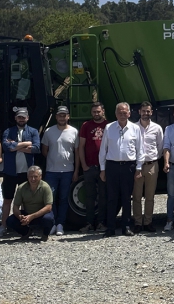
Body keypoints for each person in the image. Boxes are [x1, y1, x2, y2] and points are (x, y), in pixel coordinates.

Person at [100, 102, 144, 237]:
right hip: (112, 166)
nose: (122, 115)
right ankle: (111, 228)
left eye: (125, 112)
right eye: (120, 112)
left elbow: (140, 149)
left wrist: (139, 167)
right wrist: (102, 169)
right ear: (116, 114)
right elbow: (103, 149)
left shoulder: (135, 128)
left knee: (126, 198)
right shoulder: (109, 127)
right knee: (112, 198)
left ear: (129, 114)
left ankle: (126, 227)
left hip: (128, 167)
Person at [0, 108, 40, 234]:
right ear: (15, 118)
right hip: (11, 172)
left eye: (23, 117)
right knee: (7, 200)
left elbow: (36, 148)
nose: (21, 119)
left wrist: (16, 146)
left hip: (27, 173)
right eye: (19, 117)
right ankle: (3, 226)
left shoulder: (33, 131)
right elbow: (6, 147)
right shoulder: (8, 131)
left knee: (26, 201)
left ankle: (24, 227)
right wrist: (26, 144)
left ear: (27, 118)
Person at [41, 106, 78, 236]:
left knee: (63, 199)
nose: (62, 118)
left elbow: (77, 152)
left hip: (68, 171)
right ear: (56, 117)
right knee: (50, 199)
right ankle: (53, 223)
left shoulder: (74, 132)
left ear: (68, 116)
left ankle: (61, 224)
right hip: (51, 171)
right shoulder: (49, 131)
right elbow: (44, 151)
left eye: (64, 115)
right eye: (60, 115)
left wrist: (76, 170)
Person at [133, 102, 164, 233]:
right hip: (137, 166)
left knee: (150, 196)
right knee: (136, 196)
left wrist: (154, 158)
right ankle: (137, 223)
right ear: (139, 112)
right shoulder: (133, 127)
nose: (146, 113)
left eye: (148, 111)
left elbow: (160, 146)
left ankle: (148, 222)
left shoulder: (157, 128)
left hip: (152, 165)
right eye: (143, 111)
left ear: (152, 112)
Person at [78, 102, 108, 232]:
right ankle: (89, 223)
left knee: (103, 196)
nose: (96, 114)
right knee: (89, 197)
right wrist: (83, 165)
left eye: (98, 111)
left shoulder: (109, 125)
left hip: (104, 168)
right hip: (89, 167)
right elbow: (81, 146)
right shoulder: (86, 125)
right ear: (91, 113)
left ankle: (101, 223)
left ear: (103, 111)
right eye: (94, 112)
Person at [6, 166, 56, 241]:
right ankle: (26, 232)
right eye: (31, 177)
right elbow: (15, 206)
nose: (33, 179)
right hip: (27, 213)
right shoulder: (21, 187)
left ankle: (45, 234)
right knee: (10, 220)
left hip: (41, 215)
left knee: (49, 219)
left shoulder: (45, 187)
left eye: (35, 176)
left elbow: (48, 207)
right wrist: (20, 216)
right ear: (27, 177)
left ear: (40, 176)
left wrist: (32, 216)